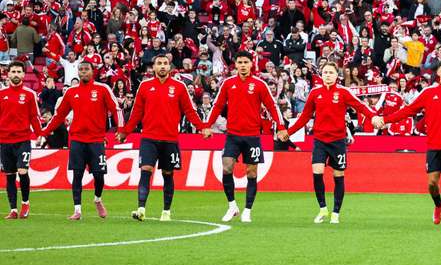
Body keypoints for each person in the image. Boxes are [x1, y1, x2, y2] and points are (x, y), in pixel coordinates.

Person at [373, 59, 441, 227]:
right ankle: (438, 205)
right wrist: (386, 119)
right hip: (433, 144)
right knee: (432, 184)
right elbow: (408, 110)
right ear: (438, 73)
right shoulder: (428, 93)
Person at [281, 61, 376, 224]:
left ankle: (336, 213)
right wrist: (288, 132)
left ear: (337, 75)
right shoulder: (315, 93)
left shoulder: (343, 92)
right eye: (325, 72)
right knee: (317, 173)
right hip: (320, 140)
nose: (328, 75)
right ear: (322, 75)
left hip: (338, 141)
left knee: (338, 176)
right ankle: (323, 208)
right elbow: (305, 117)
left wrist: (373, 116)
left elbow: (360, 106)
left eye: (331, 72)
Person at [117, 55, 206, 222]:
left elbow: (189, 110)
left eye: (165, 63)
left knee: (168, 174)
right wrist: (125, 132)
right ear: (154, 67)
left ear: (170, 67)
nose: (163, 66)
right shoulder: (145, 86)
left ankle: (166, 212)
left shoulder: (179, 86)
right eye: (159, 63)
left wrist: (202, 127)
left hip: (170, 139)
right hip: (149, 138)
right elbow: (136, 112)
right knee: (146, 170)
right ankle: (141, 209)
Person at [202, 51, 288, 223]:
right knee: (227, 167)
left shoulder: (259, 84)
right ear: (236, 64)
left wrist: (280, 127)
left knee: (251, 172)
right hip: (232, 135)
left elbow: (272, 106)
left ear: (251, 64)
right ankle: (232, 206)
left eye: (245, 62)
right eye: (239, 62)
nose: (242, 65)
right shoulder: (228, 83)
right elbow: (217, 105)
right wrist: (207, 125)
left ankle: (248, 210)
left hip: (252, 136)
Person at [42, 61, 122, 220]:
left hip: (97, 140)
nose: (83, 72)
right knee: (77, 174)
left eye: (86, 69)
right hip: (77, 139)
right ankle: (77, 210)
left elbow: (116, 109)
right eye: (81, 69)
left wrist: (121, 129)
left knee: (99, 175)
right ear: (77, 72)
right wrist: (44, 131)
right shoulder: (71, 92)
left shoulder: (102, 88)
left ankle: (97, 199)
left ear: (93, 72)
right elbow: (59, 115)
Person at [0, 61, 42, 220]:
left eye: (19, 72)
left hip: (23, 140)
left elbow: (34, 117)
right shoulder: (1, 94)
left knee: (23, 171)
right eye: (13, 71)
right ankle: (13, 209)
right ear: (8, 74)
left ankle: (25, 203)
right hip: (4, 141)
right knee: (10, 175)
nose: (16, 74)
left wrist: (39, 134)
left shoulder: (30, 94)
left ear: (24, 75)